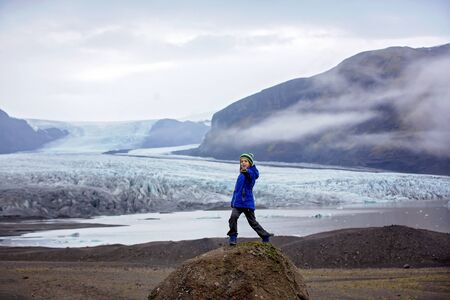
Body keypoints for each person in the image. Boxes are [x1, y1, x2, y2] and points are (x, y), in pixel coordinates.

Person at [227, 153, 273, 245]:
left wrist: (246, 171)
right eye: (241, 161)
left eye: (246, 161)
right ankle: (233, 237)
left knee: (253, 222)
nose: (243, 163)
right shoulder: (240, 175)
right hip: (238, 203)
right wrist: (233, 202)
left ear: (250, 163)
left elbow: (251, 175)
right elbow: (237, 191)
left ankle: (265, 236)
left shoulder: (251, 173)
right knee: (233, 218)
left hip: (247, 203)